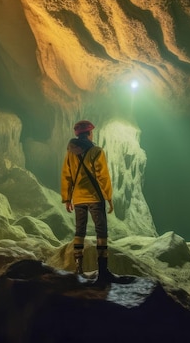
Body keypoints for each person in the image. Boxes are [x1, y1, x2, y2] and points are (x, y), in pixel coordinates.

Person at [61, 120, 115, 282]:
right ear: (90, 133)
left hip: (78, 198)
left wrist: (67, 198)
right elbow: (102, 176)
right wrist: (109, 197)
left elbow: (66, 175)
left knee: (80, 232)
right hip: (94, 197)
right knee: (101, 232)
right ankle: (103, 270)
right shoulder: (96, 151)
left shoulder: (70, 152)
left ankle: (79, 269)